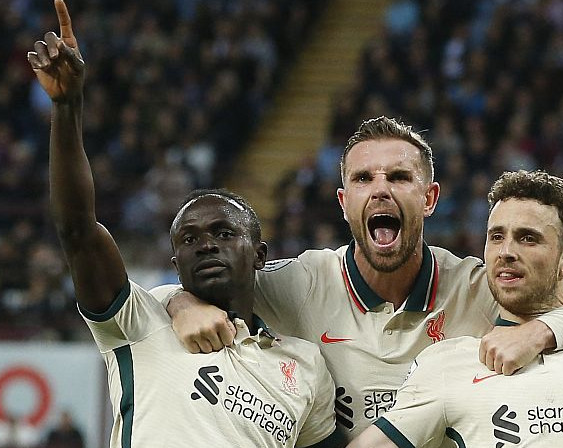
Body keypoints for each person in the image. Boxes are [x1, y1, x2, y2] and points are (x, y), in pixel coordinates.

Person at [158, 116, 563, 441]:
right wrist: (182, 302)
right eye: (363, 179)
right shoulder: (299, 282)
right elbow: (183, 287)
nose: (380, 191)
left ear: (430, 198)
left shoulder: (480, 285)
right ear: (343, 202)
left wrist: (541, 331)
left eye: (398, 178)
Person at [26, 1, 343, 446]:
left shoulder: (305, 364)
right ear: (176, 263)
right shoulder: (139, 321)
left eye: (224, 233)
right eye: (190, 239)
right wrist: (67, 106)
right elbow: (78, 229)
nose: (206, 244)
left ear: (260, 255)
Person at [348, 170, 563, 448]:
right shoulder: (447, 363)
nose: (506, 251)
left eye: (528, 238)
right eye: (496, 236)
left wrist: (540, 334)